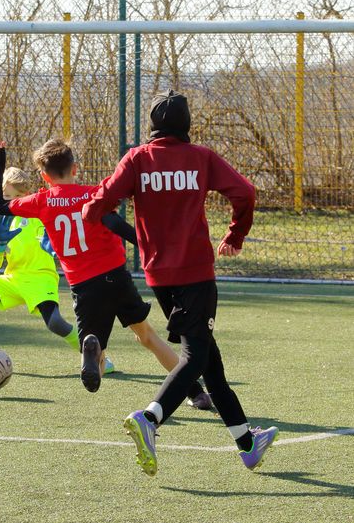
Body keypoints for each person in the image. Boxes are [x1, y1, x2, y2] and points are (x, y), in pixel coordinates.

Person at [82, 89, 278, 474]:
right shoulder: (200, 157)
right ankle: (150, 418)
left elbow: (96, 208)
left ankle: (247, 443)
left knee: (209, 360)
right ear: (187, 124)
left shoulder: (137, 159)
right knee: (195, 356)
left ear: (152, 124)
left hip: (159, 276)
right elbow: (245, 192)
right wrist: (235, 235)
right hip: (196, 273)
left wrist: (106, 208)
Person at [0, 137, 211, 405]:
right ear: (75, 168)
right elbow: (115, 224)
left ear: (45, 176)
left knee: (97, 351)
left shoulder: (41, 201)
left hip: (84, 287)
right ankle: (196, 393)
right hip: (116, 277)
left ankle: (93, 350)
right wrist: (149, 246)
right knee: (147, 336)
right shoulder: (94, 195)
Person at [0, 165, 112, 370]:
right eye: (5, 196)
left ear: (26, 196)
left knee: (55, 323)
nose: (9, 202)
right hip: (13, 279)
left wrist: (54, 247)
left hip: (41, 279)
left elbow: (64, 242)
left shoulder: (41, 216)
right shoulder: (1, 224)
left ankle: (97, 358)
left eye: (15, 197)